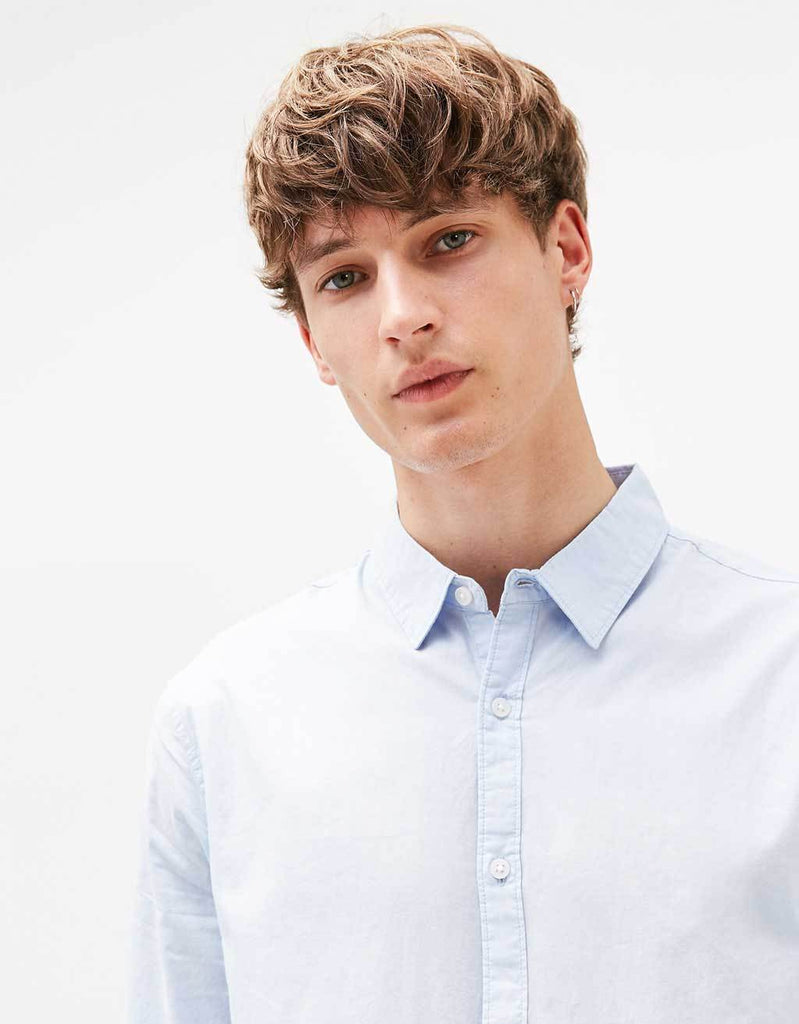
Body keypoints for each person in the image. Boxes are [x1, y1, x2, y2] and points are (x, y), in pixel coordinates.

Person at [127, 23, 799, 1024]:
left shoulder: (780, 677)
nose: (402, 316)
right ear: (311, 340)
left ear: (565, 249)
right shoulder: (225, 723)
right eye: (344, 276)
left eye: (447, 240)